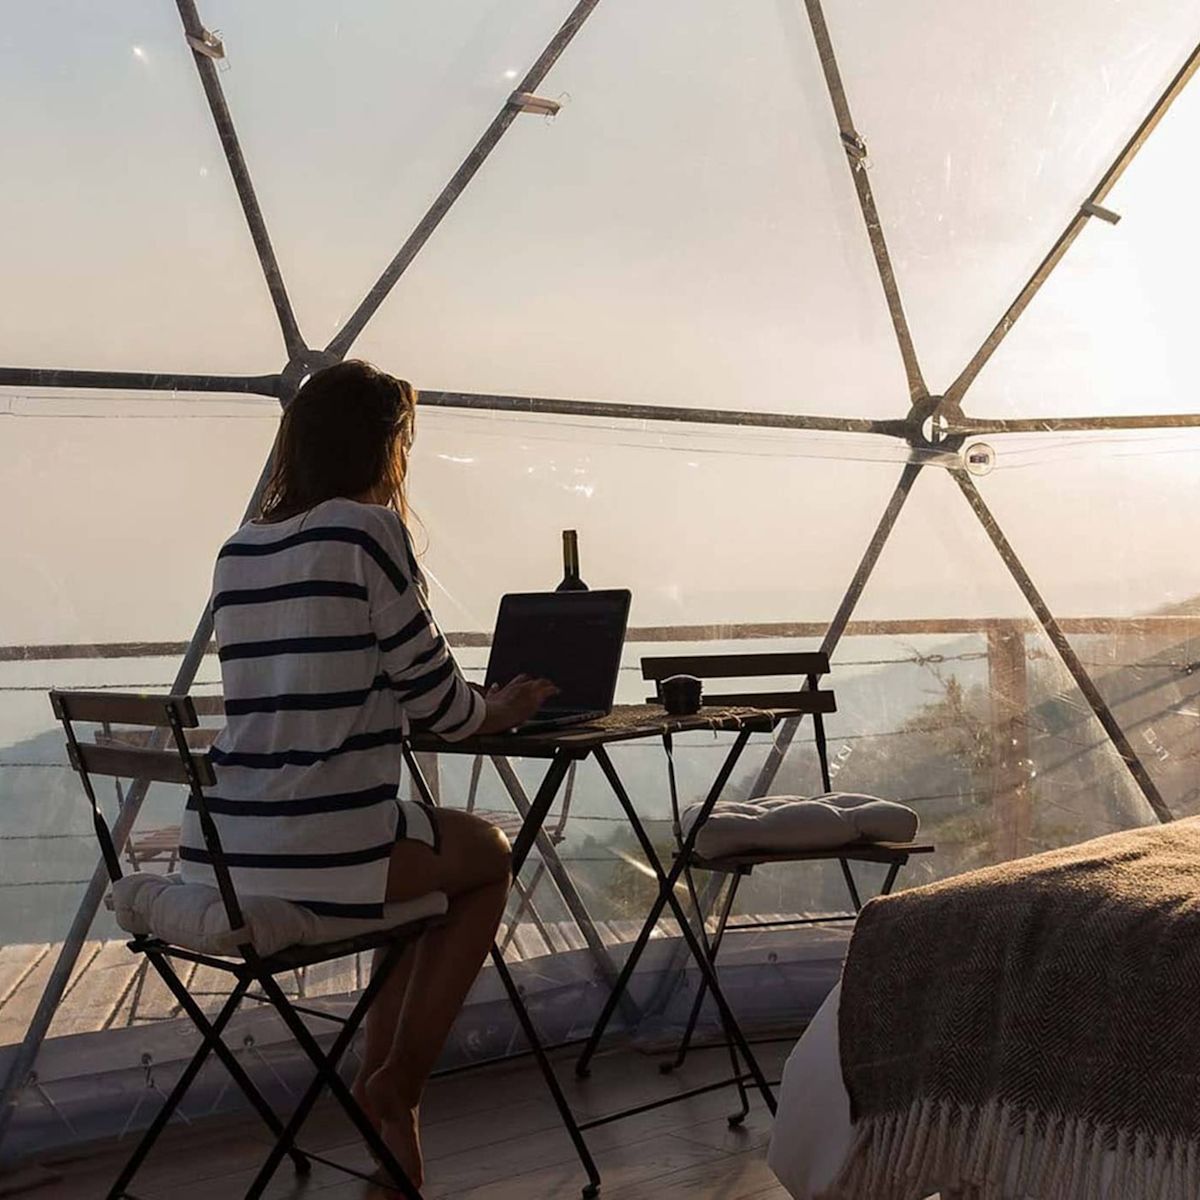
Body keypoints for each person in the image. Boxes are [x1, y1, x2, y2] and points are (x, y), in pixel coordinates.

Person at [178, 360, 555, 1188]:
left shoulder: (236, 551)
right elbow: (443, 708)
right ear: (383, 446)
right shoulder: (364, 531)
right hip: (324, 851)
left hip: (227, 854)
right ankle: (399, 1081)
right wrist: (501, 707)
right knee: (486, 855)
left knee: (419, 889)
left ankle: (393, 1127)